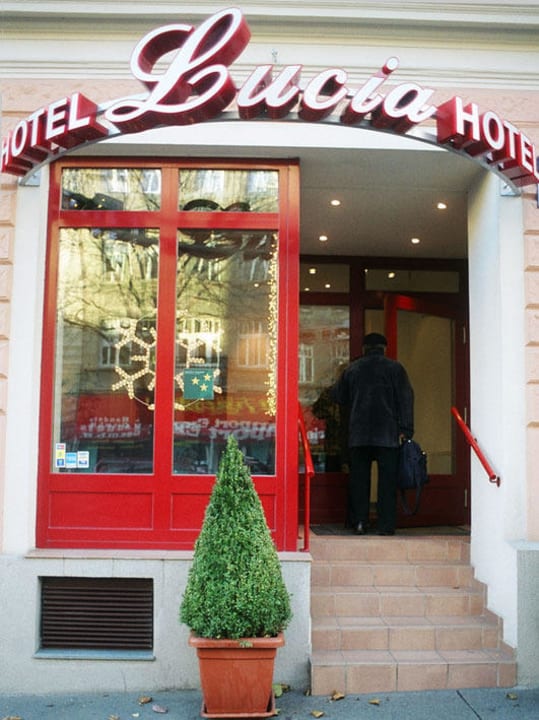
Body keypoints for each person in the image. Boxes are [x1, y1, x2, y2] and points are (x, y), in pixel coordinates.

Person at [331, 332, 414, 536]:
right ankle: (386, 525)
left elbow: (338, 396)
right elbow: (406, 399)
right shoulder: (395, 368)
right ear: (384, 348)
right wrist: (406, 430)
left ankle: (360, 522)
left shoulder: (352, 369)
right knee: (387, 481)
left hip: (359, 434)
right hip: (387, 434)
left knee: (359, 480)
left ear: (364, 348)